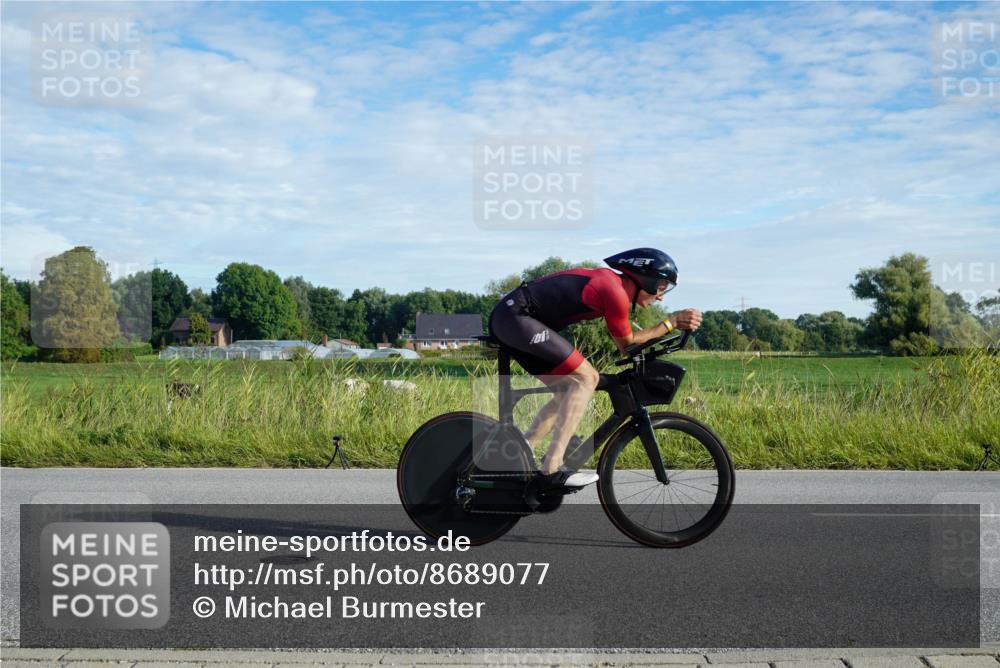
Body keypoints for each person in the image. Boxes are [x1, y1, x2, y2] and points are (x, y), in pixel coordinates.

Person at [487, 248, 703, 489]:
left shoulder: (615, 287)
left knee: (569, 389)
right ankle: (551, 469)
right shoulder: (614, 290)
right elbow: (627, 344)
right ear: (646, 279)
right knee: (586, 379)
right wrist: (671, 322)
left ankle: (521, 452)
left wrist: (671, 330)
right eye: (662, 286)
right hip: (516, 316)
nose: (661, 296)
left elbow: (631, 343)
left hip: (518, 319)